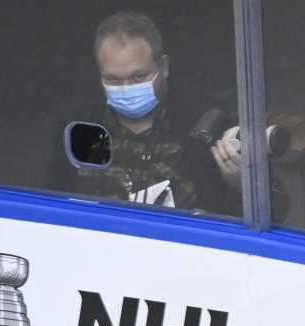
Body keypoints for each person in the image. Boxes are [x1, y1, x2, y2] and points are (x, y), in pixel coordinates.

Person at [45, 11, 240, 214]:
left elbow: (239, 210)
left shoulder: (206, 121)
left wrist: (239, 184)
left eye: (138, 76)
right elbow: (53, 197)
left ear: (163, 66)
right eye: (113, 79)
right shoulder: (79, 123)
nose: (126, 87)